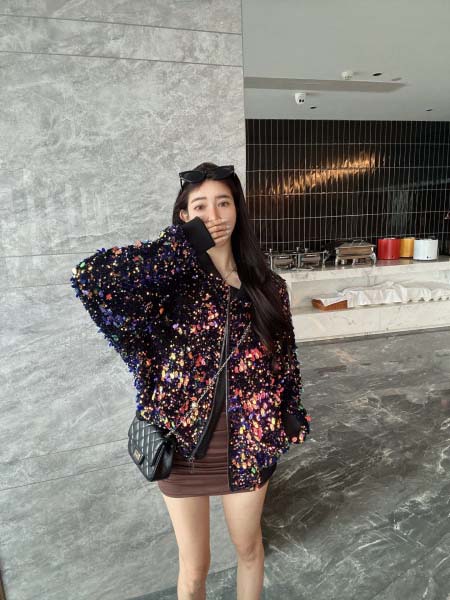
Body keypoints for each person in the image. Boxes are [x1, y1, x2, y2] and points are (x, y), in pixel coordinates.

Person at [70, 162, 310, 600]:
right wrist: (183, 245)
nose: (214, 214)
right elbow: (90, 277)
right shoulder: (168, 288)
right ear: (184, 216)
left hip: (249, 442)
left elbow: (285, 358)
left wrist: (290, 410)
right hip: (180, 445)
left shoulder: (268, 286)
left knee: (249, 548)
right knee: (195, 566)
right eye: (200, 207)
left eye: (224, 203)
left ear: (237, 209)